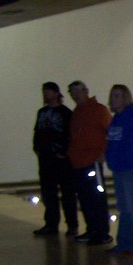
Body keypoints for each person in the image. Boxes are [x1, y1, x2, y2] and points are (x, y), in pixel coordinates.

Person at [67, 80, 112, 245]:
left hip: (92, 162)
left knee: (97, 198)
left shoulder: (99, 110)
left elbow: (110, 132)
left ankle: (102, 232)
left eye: (78, 91)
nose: (75, 95)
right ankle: (92, 229)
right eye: (72, 92)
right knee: (85, 198)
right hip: (78, 163)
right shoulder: (76, 113)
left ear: (86, 91)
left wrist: (103, 153)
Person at [32, 82, 78, 237]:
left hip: (62, 159)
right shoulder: (42, 112)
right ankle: (51, 224)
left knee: (67, 193)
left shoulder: (65, 113)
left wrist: (64, 152)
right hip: (46, 158)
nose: (45, 95)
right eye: (44, 92)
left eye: (48, 91)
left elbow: (71, 135)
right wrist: (37, 148)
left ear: (56, 93)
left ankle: (72, 225)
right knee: (48, 193)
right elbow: (37, 132)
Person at [105, 84, 133, 257]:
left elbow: (129, 144)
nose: (114, 99)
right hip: (117, 167)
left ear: (126, 98)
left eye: (118, 95)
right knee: (123, 207)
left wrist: (123, 160)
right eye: (113, 95)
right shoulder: (116, 119)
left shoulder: (130, 116)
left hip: (128, 168)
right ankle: (123, 243)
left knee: (131, 207)